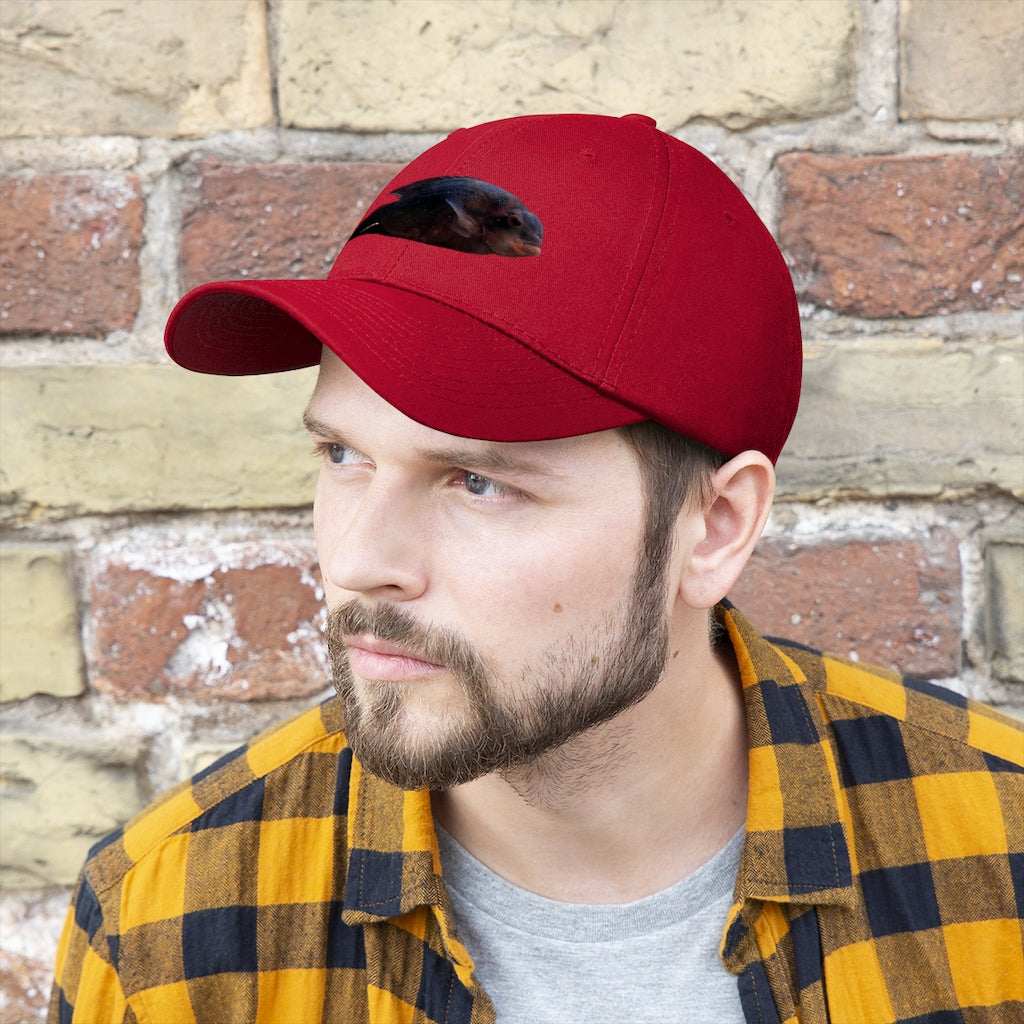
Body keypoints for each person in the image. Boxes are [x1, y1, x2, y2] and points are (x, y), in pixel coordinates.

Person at [51, 113, 1023, 1024]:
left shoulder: (999, 854)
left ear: (715, 525)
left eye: (476, 481)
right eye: (344, 456)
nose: (358, 561)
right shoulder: (167, 929)